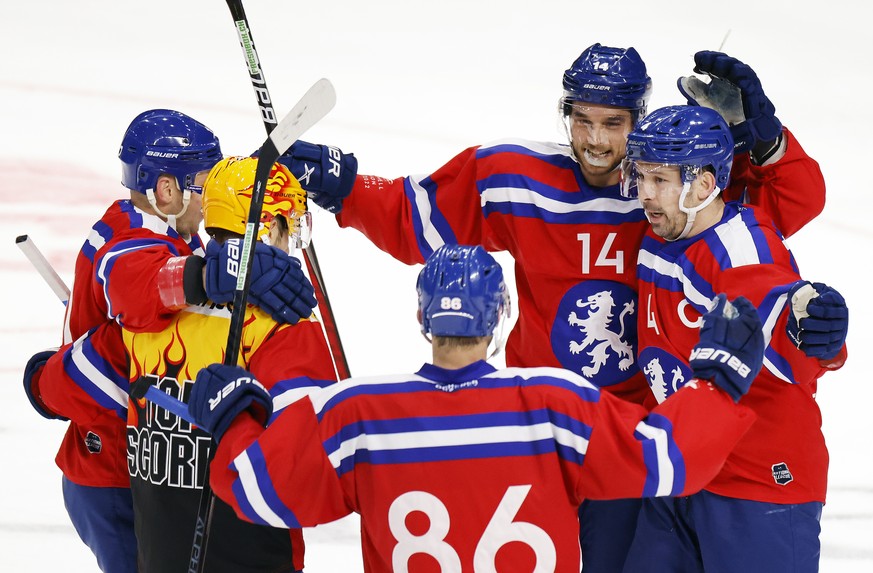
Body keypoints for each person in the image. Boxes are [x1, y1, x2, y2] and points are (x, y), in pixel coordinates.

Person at [273, 45, 827, 570]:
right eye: (582, 120)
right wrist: (343, 184)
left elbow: (779, 212)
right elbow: (414, 218)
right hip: (536, 427)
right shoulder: (520, 179)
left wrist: (767, 144)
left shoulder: (667, 193)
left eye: (613, 123)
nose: (595, 140)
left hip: (633, 435)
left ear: (639, 118)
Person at [185, 243, 765, 573]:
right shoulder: (554, 404)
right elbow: (666, 459)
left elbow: (258, 490)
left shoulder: (357, 415)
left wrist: (232, 419)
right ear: (498, 316)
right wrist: (716, 385)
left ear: (421, 318)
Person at [22, 111, 317, 573]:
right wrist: (212, 274)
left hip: (144, 461)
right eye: (205, 181)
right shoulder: (131, 237)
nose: (214, 191)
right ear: (166, 191)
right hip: (113, 472)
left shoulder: (171, 232)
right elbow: (135, 284)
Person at [618, 105, 849, 572]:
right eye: (641, 176)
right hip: (682, 467)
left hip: (758, 482)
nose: (645, 193)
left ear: (703, 186)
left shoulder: (738, 250)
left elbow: (777, 310)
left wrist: (812, 330)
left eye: (659, 180)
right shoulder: (667, 229)